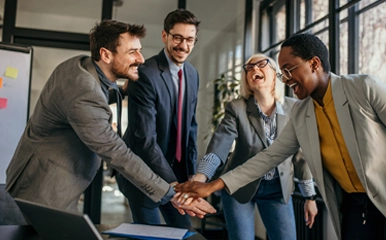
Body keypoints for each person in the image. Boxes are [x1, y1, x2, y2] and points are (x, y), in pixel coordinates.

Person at [175, 33, 386, 240]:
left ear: (314, 63)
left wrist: (309, 197)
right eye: (284, 72)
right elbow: (268, 157)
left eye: (289, 69)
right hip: (354, 205)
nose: (287, 78)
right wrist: (211, 184)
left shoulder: (364, 88)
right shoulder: (301, 113)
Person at [5, 19, 215, 219]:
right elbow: (118, 152)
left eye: (140, 51)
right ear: (106, 55)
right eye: (132, 52)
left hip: (56, 183)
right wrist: (171, 194)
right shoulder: (83, 92)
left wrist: (122, 92)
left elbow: (100, 92)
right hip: (40, 188)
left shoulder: (82, 65)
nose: (140, 59)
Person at [186, 53, 318, 240]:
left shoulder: (294, 108)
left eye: (261, 64)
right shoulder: (236, 108)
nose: (254, 69)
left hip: (278, 189)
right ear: (247, 80)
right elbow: (219, 145)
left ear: (274, 74)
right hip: (239, 188)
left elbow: (300, 156)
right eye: (249, 68)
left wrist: (309, 198)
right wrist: (200, 178)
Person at [115, 9, 201, 228]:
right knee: (150, 235)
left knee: (184, 231)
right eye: (178, 38)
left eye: (189, 39)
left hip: (179, 174)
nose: (183, 45)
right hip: (144, 173)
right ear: (165, 36)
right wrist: (169, 183)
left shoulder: (192, 74)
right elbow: (145, 139)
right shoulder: (144, 73)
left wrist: (191, 175)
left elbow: (190, 127)